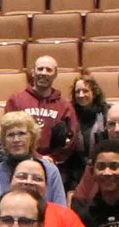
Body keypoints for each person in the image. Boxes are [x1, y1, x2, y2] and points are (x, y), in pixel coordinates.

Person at [6, 57, 82, 185]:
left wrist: (54, 158)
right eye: (40, 69)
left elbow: (71, 137)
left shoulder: (65, 106)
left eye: (49, 70)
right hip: (20, 161)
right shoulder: (16, 100)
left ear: (55, 74)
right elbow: (9, 133)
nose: (44, 73)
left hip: (54, 166)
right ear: (33, 72)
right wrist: (37, 157)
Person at [0, 114, 67, 210]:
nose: (16, 140)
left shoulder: (50, 170)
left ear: (32, 138)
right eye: (10, 135)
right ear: (4, 141)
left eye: (22, 134)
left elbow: (61, 210)